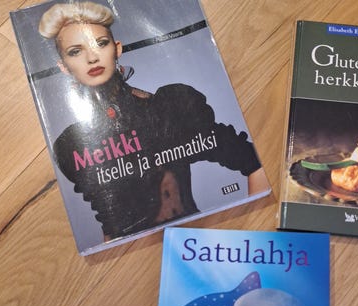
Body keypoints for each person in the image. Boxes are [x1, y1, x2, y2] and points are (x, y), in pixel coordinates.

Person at [39, 1, 269, 241]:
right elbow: (110, 223)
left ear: (117, 49)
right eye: (75, 51)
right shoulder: (74, 143)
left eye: (100, 43)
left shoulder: (168, 106)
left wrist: (254, 229)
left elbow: (250, 160)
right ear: (64, 67)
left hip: (194, 242)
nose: (92, 57)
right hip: (135, 255)